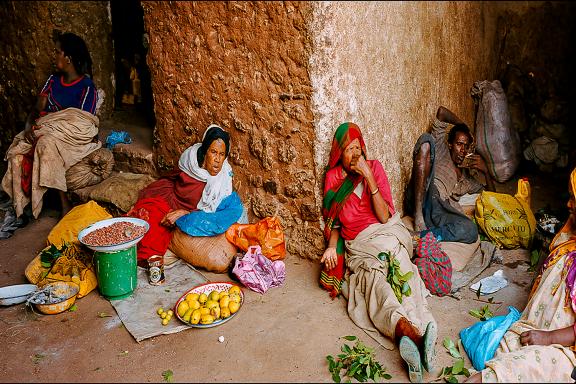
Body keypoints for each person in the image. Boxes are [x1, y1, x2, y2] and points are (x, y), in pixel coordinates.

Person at [319, 122, 437, 383]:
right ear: (339, 154)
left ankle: (415, 332)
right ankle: (408, 332)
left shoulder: (375, 168)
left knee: (406, 274)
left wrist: (368, 176)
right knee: (376, 285)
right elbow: (335, 222)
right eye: (348, 150)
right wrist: (330, 246)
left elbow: (384, 216)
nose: (354, 155)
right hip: (360, 244)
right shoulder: (334, 178)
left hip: (386, 234)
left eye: (358, 148)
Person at [466, 166, 576, 382]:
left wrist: (548, 337)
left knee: (497, 375)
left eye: (574, 199)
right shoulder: (568, 238)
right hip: (535, 331)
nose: (568, 204)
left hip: (567, 352)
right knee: (502, 354)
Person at [1, 32, 99, 239]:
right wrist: (29, 126)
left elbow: (83, 123)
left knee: (46, 144)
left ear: (68, 58)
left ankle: (65, 205)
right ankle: (22, 209)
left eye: (57, 52)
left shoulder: (86, 87)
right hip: (43, 129)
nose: (54, 56)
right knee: (17, 153)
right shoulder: (53, 81)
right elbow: (36, 112)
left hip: (70, 138)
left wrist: (49, 126)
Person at [128, 124, 244, 267]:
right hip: (173, 201)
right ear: (205, 151)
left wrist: (184, 213)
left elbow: (214, 211)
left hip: (192, 214)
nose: (217, 160)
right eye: (213, 152)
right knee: (146, 220)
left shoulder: (223, 178)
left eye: (221, 155)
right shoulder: (190, 161)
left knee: (162, 236)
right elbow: (173, 178)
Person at [405, 106, 495, 244]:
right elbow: (441, 112)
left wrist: (486, 171)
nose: (462, 150)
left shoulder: (467, 180)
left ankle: (419, 236)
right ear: (450, 144)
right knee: (426, 140)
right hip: (424, 193)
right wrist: (463, 126)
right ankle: (418, 215)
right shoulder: (442, 151)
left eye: (466, 146)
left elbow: (493, 198)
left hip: (437, 210)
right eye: (459, 144)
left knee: (470, 230)